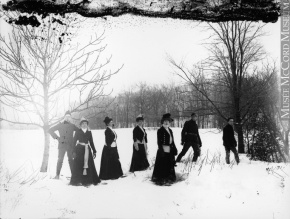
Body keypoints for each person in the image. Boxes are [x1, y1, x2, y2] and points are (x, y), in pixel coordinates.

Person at [70, 117, 100, 186]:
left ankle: (88, 180)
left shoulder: (89, 132)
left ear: (87, 124)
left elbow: (91, 142)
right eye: (83, 123)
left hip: (87, 150)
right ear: (80, 125)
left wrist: (94, 151)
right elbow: (74, 142)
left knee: (89, 165)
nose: (84, 125)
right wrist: (73, 151)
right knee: (79, 165)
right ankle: (78, 181)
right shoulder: (78, 131)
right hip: (79, 150)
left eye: (85, 123)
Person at [48, 111, 79, 179]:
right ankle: (57, 175)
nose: (67, 118)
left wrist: (75, 140)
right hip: (62, 145)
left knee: (71, 160)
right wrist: (57, 138)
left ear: (70, 118)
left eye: (69, 117)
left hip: (70, 146)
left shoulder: (72, 125)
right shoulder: (60, 125)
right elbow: (50, 130)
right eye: (66, 117)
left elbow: (79, 131)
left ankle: (74, 176)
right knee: (60, 160)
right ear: (64, 117)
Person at [152, 113, 178, 185]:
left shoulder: (170, 130)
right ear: (162, 122)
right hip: (163, 150)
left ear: (169, 122)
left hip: (170, 150)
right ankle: (162, 179)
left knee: (169, 165)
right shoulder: (160, 130)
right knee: (162, 166)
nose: (166, 122)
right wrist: (161, 151)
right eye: (165, 121)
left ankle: (169, 179)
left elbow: (172, 141)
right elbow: (159, 143)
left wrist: (175, 148)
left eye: (168, 121)